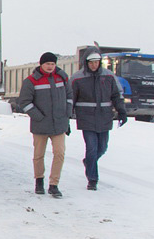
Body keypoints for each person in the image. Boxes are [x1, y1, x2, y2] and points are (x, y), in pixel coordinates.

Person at [70, 48, 127, 190]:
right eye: (91, 62)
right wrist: (66, 118)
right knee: (91, 148)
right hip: (86, 118)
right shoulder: (77, 78)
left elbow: (116, 95)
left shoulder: (109, 76)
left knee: (102, 148)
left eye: (96, 62)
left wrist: (122, 111)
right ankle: (92, 179)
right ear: (86, 62)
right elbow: (70, 99)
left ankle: (89, 162)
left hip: (104, 117)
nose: (94, 65)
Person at [18, 52, 73, 198]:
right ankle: (39, 181)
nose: (50, 67)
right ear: (41, 64)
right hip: (40, 125)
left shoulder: (62, 77)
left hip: (59, 124)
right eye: (47, 64)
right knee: (38, 155)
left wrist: (66, 116)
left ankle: (54, 185)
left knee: (60, 153)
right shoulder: (31, 81)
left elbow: (69, 97)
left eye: (52, 64)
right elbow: (24, 102)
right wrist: (38, 117)